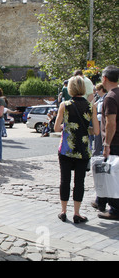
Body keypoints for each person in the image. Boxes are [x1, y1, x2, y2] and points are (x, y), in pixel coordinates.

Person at [54, 76, 99, 224]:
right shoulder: (91, 106)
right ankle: (77, 213)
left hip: (66, 148)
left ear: (71, 88)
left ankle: (63, 211)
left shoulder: (64, 105)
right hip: (83, 148)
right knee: (79, 181)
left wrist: (66, 128)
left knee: (64, 180)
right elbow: (96, 131)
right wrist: (85, 129)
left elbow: (56, 127)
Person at [95, 65, 119, 221]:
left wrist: (106, 144)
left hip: (114, 142)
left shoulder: (110, 97)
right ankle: (100, 200)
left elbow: (111, 123)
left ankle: (115, 208)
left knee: (111, 175)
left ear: (104, 78)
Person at [92, 83, 107, 156]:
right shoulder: (100, 98)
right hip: (98, 118)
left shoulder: (106, 97)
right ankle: (96, 152)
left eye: (97, 90)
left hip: (102, 118)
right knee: (97, 136)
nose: (96, 91)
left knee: (101, 136)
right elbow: (94, 106)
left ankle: (99, 152)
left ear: (101, 89)